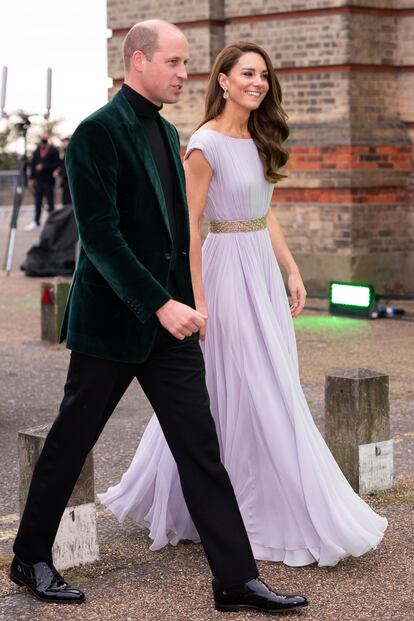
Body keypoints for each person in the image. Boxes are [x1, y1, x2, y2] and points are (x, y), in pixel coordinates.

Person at [9, 22, 307, 614]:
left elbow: (179, 230)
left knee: (201, 449)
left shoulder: (169, 132)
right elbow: (99, 237)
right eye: (174, 62)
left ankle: (235, 579)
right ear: (138, 60)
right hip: (113, 325)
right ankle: (29, 558)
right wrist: (160, 303)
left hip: (172, 328)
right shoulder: (96, 133)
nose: (183, 73)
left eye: (186, 62)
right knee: (73, 439)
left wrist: (190, 301)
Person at [100, 41, 388, 568]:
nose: (258, 82)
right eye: (248, 74)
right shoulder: (203, 144)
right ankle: (233, 510)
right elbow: (187, 223)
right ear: (224, 81)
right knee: (233, 383)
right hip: (224, 273)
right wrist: (198, 297)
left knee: (271, 380)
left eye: (264, 75)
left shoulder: (260, 137)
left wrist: (292, 268)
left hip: (259, 267)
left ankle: (257, 498)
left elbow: (266, 211)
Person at [24, 131, 60, 231]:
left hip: (49, 181)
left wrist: (44, 167)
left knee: (50, 202)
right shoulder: (36, 151)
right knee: (38, 203)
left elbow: (57, 164)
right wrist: (31, 178)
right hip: (38, 182)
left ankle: (53, 222)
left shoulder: (53, 150)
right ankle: (36, 221)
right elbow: (32, 165)